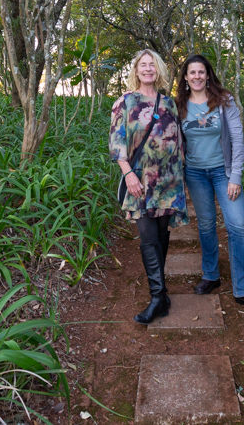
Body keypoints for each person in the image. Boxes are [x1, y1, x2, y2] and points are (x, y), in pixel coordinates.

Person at [176, 54, 244, 312]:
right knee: (205, 226)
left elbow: (238, 140)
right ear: (185, 77)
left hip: (223, 172)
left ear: (208, 75)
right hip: (195, 173)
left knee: (237, 226)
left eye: (201, 72)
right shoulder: (179, 105)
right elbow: (175, 143)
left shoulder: (223, 101)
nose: (197, 76)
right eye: (192, 72)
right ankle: (210, 275)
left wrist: (235, 176)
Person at [110, 49, 188, 324]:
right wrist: (128, 173)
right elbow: (117, 143)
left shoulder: (169, 103)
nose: (148, 69)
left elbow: (178, 141)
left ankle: (161, 295)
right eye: (143, 65)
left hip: (168, 180)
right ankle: (157, 297)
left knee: (162, 235)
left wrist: (181, 178)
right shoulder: (125, 102)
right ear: (136, 70)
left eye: (152, 64)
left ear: (158, 70)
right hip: (140, 180)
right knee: (147, 236)